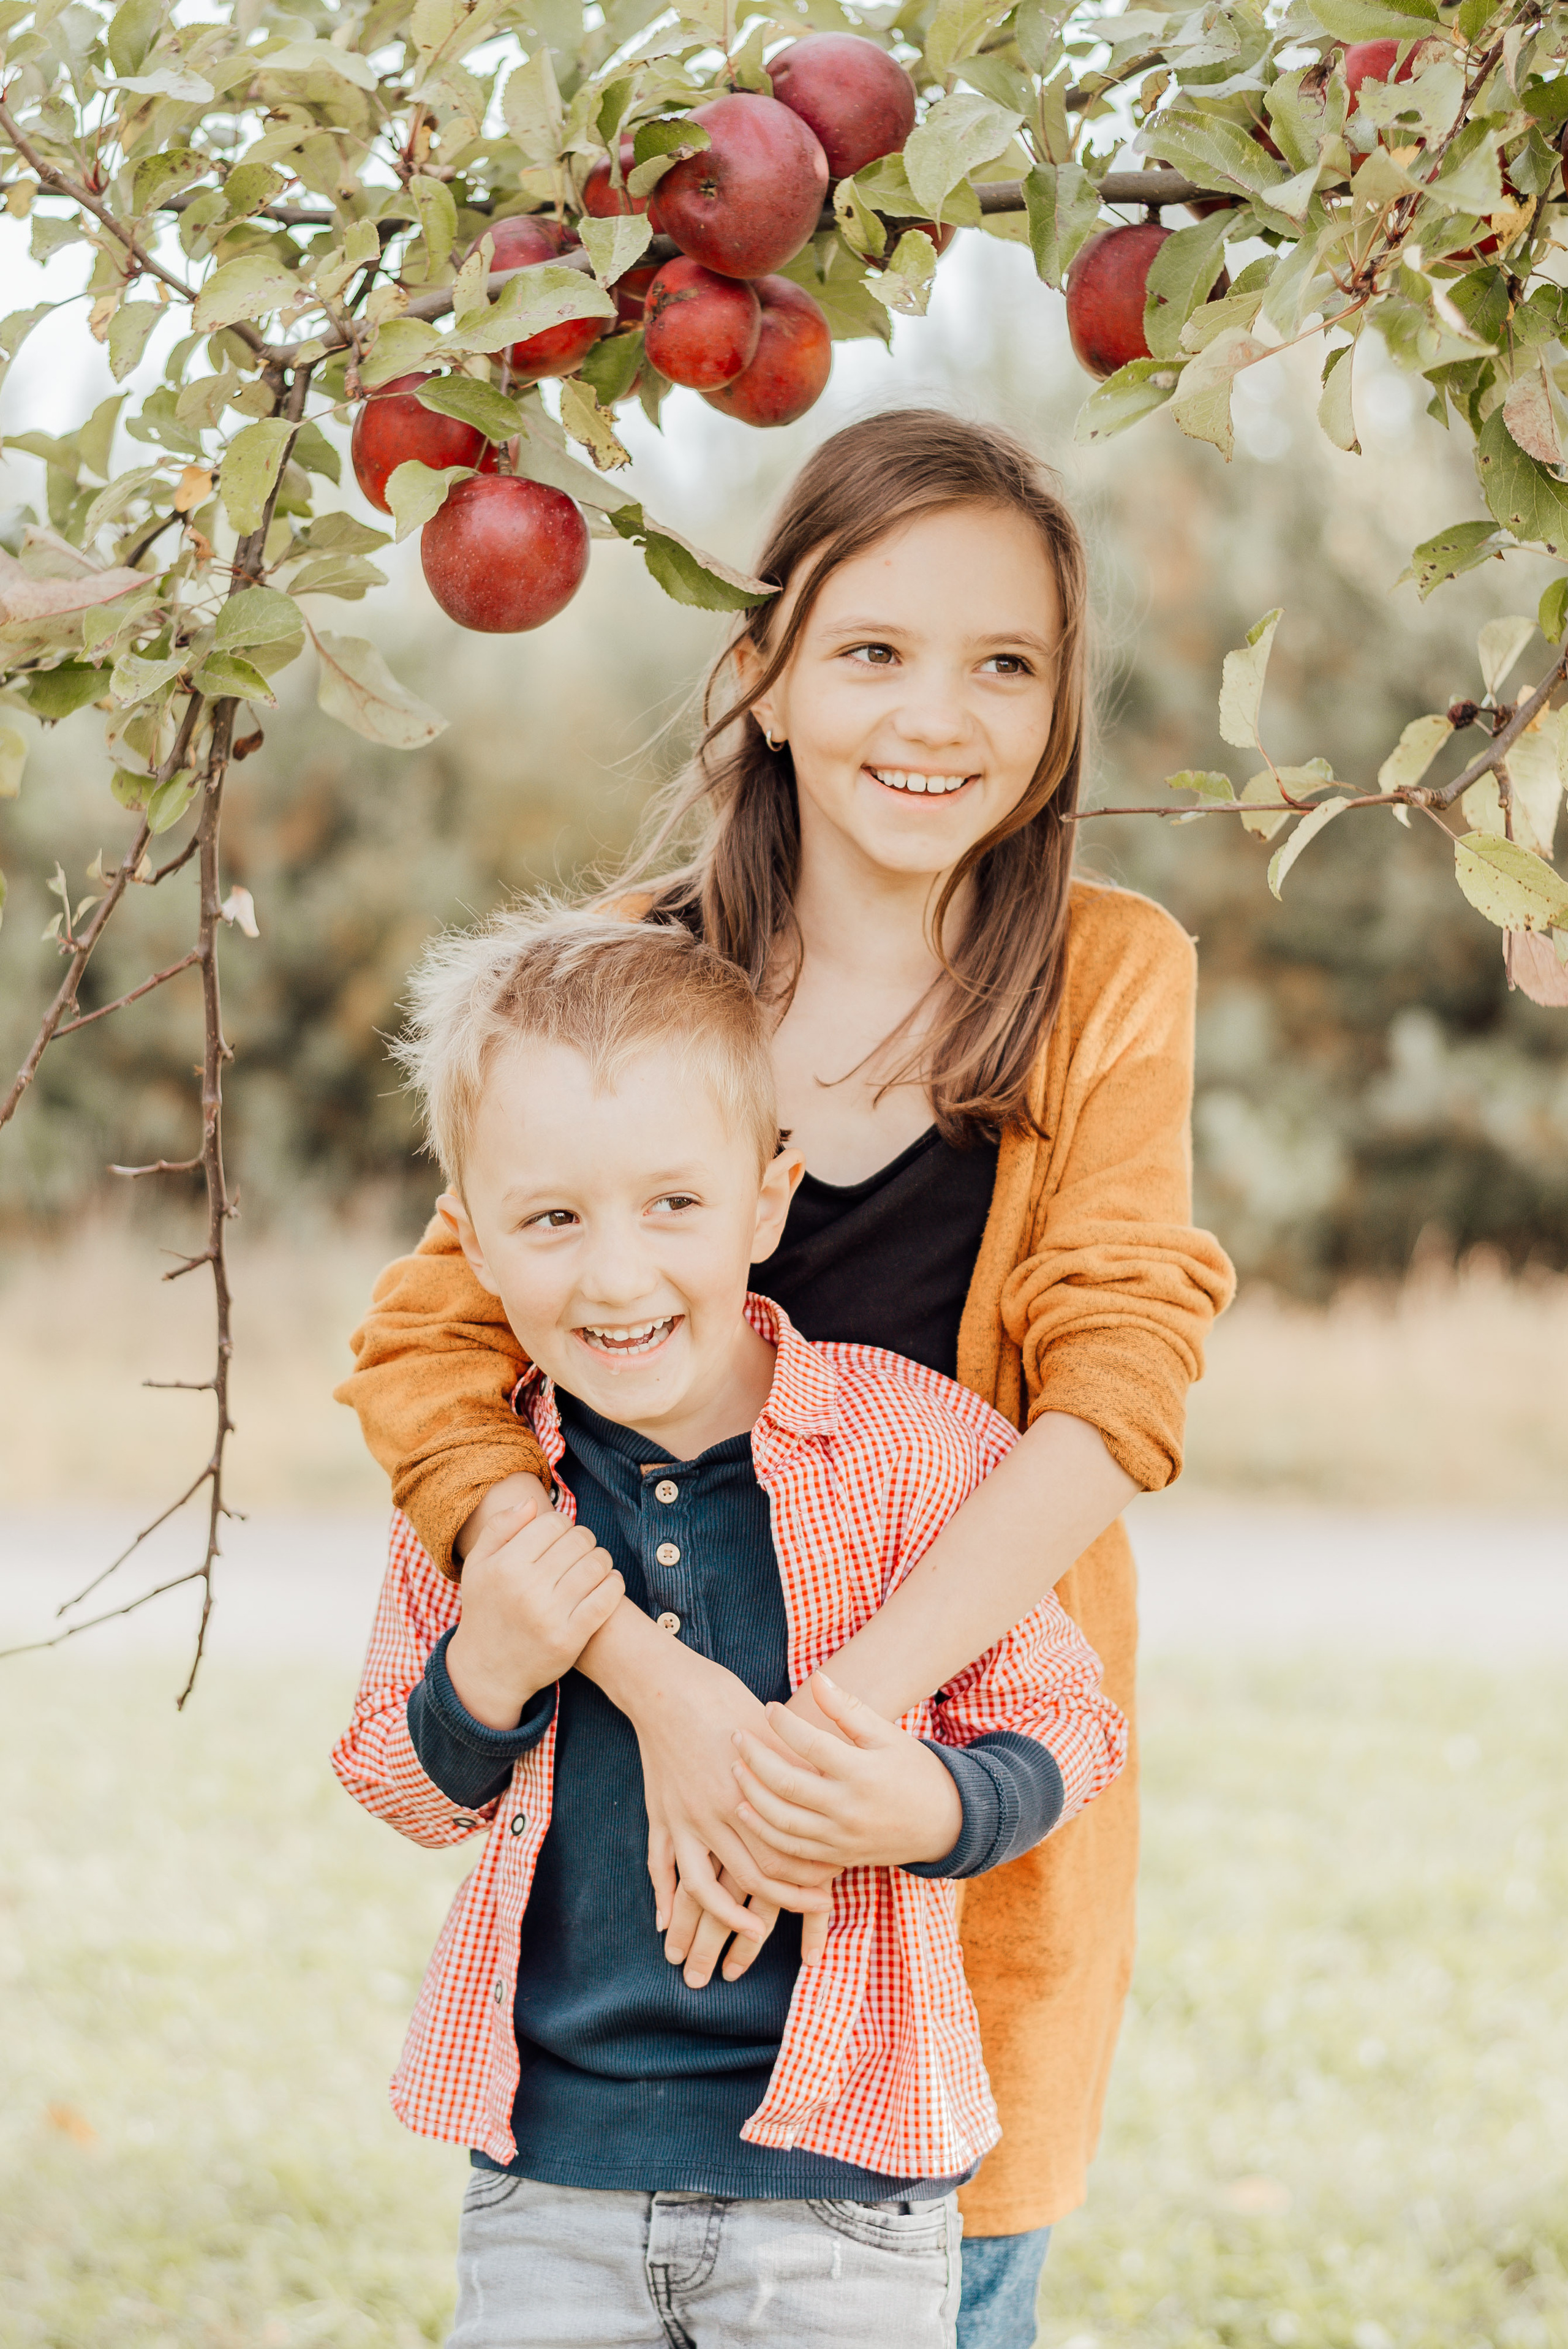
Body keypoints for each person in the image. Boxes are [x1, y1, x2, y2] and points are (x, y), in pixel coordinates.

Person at [337, 409, 1235, 2348]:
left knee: (948, 2269)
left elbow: (1118, 1381)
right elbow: (429, 1345)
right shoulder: (631, 982)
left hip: (929, 1802)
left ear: (1063, 701)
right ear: (761, 670)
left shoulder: (1107, 973)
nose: (938, 715)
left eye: (1005, 663)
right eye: (874, 648)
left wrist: (823, 1744)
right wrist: (665, 1695)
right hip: (626, 1881)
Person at [333, 910, 1129, 2349]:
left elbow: (1069, 1718)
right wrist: (487, 1671)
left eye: (672, 1206)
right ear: (472, 1234)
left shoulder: (906, 1448)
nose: (615, 1274)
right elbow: (400, 1785)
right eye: (551, 1219)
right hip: (550, 2181)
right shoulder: (496, 1491)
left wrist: (929, 1801)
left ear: (767, 1203)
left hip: (844, 2195)